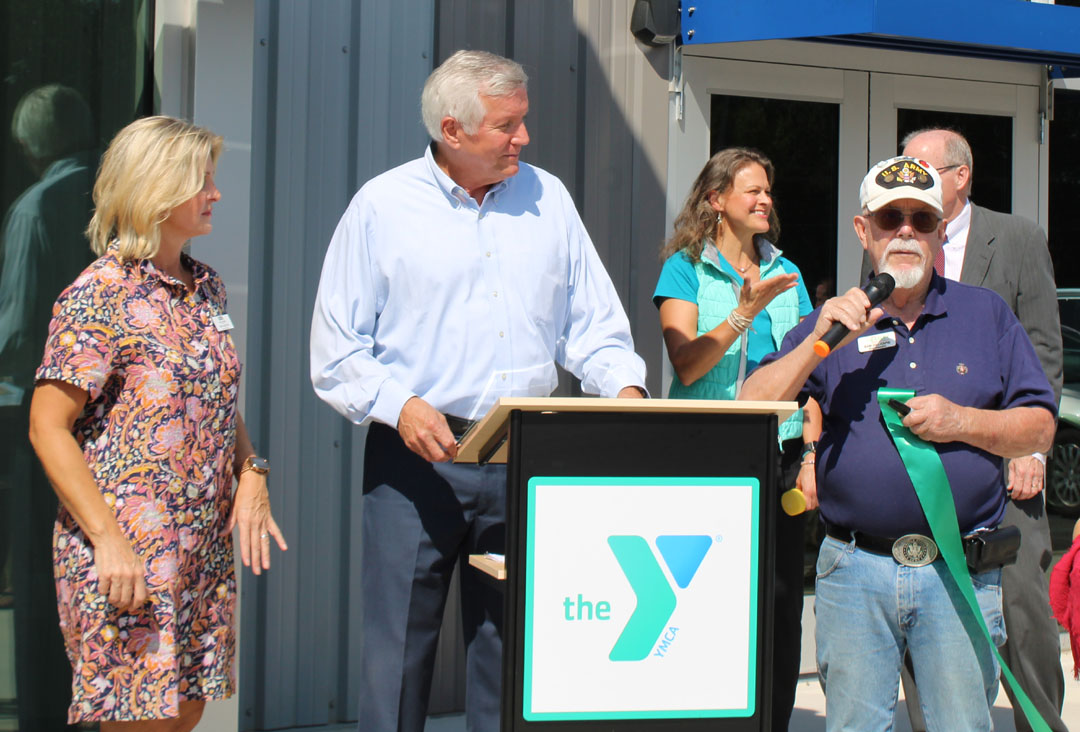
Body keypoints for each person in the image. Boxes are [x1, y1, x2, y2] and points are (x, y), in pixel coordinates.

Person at [309, 50, 647, 732]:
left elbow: (592, 324)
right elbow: (336, 347)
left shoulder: (548, 198)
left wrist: (627, 391)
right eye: (507, 125)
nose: (523, 138)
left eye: (523, 121)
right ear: (452, 130)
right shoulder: (381, 207)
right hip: (416, 460)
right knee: (398, 655)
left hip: (526, 455)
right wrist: (398, 405)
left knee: (514, 649)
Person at [740, 155, 1057, 730]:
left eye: (921, 217)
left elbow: (1038, 426)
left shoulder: (985, 315)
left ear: (940, 231)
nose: (906, 230)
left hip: (961, 568)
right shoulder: (831, 322)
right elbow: (752, 404)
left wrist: (962, 421)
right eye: (890, 218)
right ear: (864, 231)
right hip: (855, 572)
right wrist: (819, 339)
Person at [27, 116, 287, 731]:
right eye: (202, 181)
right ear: (155, 188)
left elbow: (214, 401)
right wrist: (109, 539)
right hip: (129, 552)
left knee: (186, 713)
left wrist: (252, 471)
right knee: (138, 720)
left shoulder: (207, 289)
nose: (216, 193)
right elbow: (47, 427)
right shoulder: (101, 294)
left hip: (200, 547)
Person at [900, 127, 1067, 732]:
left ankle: (1040, 725)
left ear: (960, 175)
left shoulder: (1015, 237)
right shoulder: (901, 234)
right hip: (925, 463)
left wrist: (1033, 448)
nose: (909, 183)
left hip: (1007, 460)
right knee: (924, 602)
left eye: (921, 169)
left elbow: (1045, 348)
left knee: (1023, 614)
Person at [651, 146, 815, 731]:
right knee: (705, 599)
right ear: (716, 200)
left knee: (777, 604)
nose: (765, 199)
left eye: (768, 191)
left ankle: (772, 721)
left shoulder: (788, 274)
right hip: (705, 451)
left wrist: (812, 452)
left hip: (778, 455)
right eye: (752, 190)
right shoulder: (685, 268)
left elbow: (809, 369)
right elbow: (688, 364)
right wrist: (742, 314)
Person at [0, 83, 100, 730]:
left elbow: (15, 334)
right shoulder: (113, 198)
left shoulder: (36, 209)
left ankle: (42, 713)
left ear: (29, 144)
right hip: (108, 418)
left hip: (40, 415)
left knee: (37, 573)